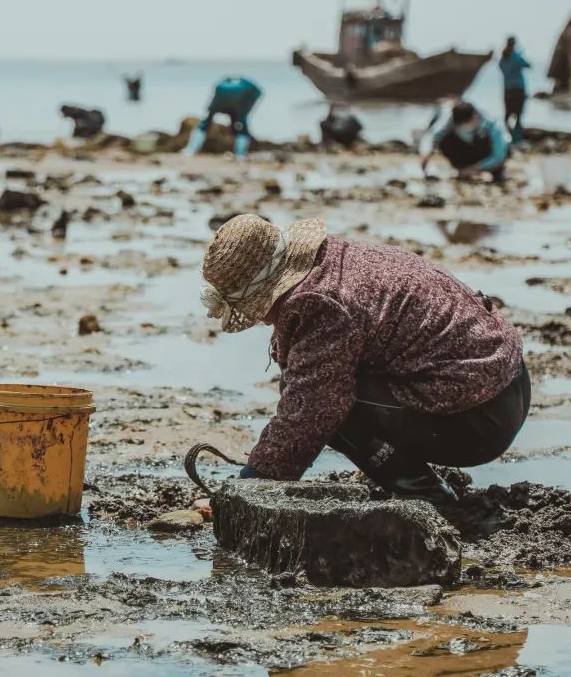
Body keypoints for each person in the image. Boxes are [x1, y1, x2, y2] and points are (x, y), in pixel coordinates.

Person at [200, 214, 529, 502]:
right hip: (507, 383)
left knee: (325, 401)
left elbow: (310, 412)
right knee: (316, 383)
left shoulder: (319, 303)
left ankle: (422, 493)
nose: (261, 320)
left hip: (481, 419)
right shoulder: (333, 259)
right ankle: (406, 475)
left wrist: (253, 485)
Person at [419, 101, 510, 182]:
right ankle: (461, 169)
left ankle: (495, 173)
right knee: (446, 139)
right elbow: (432, 135)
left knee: (501, 151)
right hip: (466, 153)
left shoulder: (492, 124)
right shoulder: (451, 119)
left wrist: (474, 168)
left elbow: (499, 155)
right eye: (461, 125)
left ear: (475, 116)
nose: (466, 127)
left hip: (487, 156)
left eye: (468, 123)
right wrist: (425, 155)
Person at [186, 76, 261, 157]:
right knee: (241, 125)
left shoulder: (224, 84)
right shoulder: (252, 89)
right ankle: (240, 154)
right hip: (238, 104)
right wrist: (242, 114)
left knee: (205, 123)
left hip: (220, 101)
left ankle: (191, 150)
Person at [498, 36, 531, 142]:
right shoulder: (516, 56)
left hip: (508, 89)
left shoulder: (503, 57)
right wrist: (520, 54)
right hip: (518, 89)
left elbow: (502, 68)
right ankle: (516, 139)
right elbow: (528, 65)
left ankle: (506, 136)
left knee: (507, 114)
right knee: (518, 115)